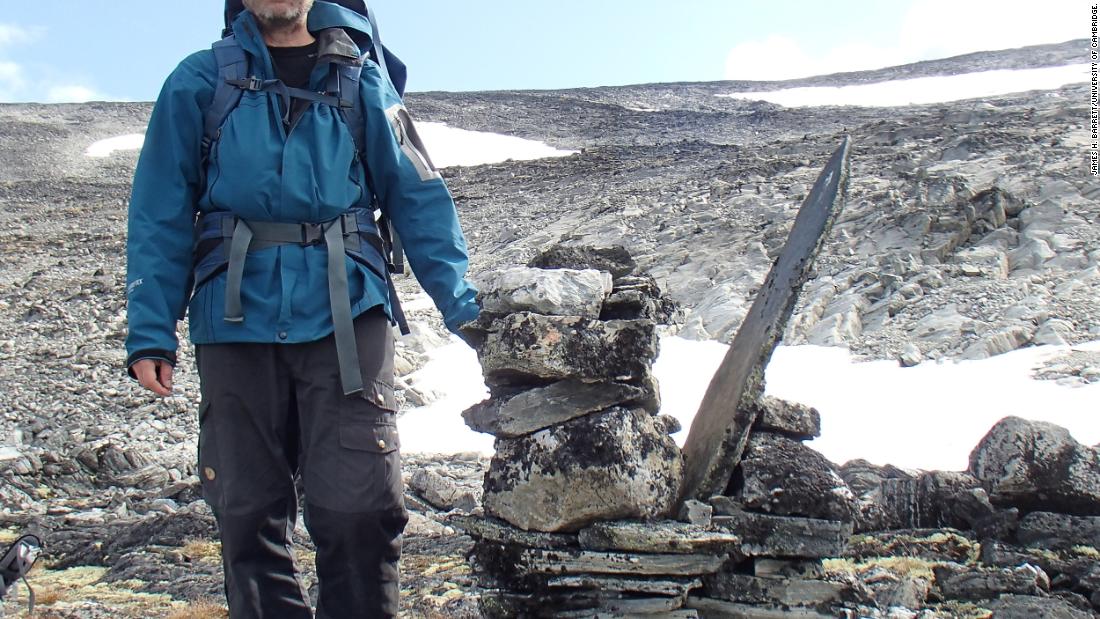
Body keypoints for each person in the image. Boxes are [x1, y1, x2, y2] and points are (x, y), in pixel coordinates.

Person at [124, 1, 480, 616]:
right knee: (245, 507)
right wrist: (151, 332)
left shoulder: (364, 80)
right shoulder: (197, 79)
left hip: (347, 310)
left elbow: (418, 196)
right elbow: (159, 209)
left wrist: (464, 307)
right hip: (232, 316)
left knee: (361, 504)